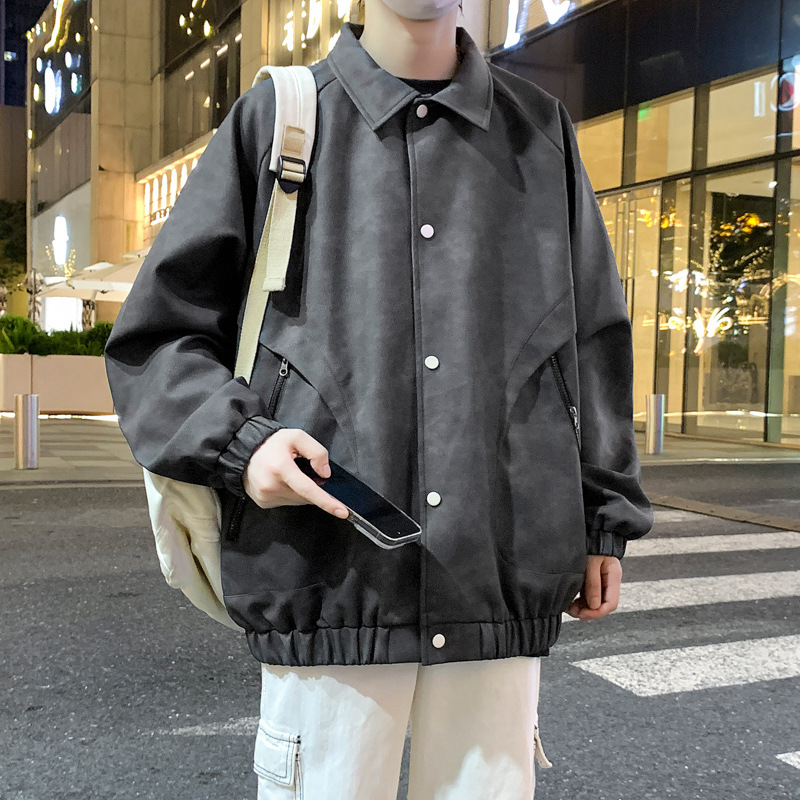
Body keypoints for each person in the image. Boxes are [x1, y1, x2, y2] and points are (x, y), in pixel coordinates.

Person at [103, 0, 655, 796]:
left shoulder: (539, 130)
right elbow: (160, 335)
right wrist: (244, 444)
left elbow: (592, 336)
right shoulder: (281, 118)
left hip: (493, 574)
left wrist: (605, 518)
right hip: (329, 574)